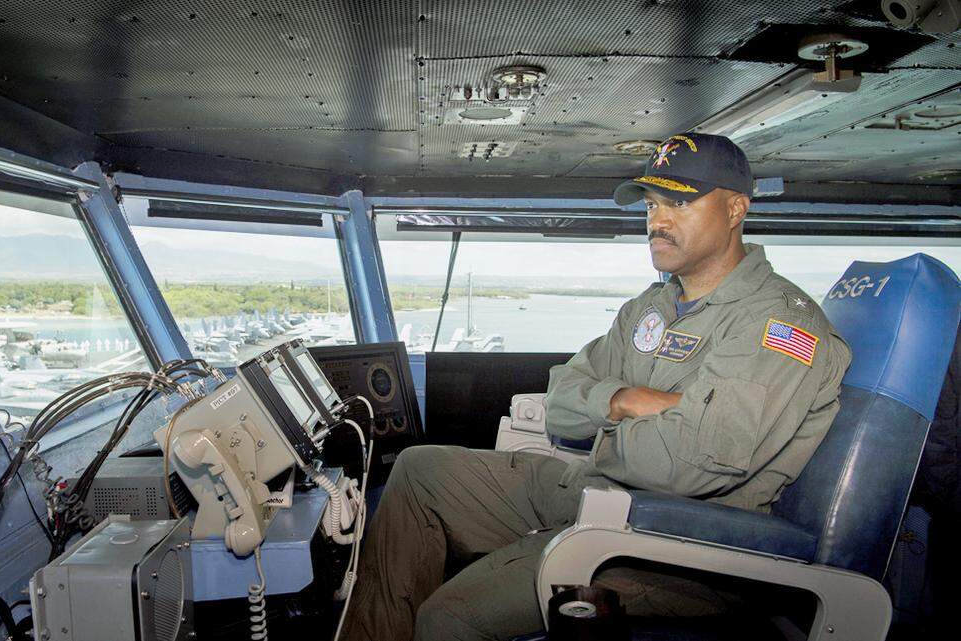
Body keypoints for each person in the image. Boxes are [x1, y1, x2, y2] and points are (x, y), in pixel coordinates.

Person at [338, 133, 851, 641]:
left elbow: (688, 464)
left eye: (679, 202)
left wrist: (606, 432)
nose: (657, 220)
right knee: (420, 470)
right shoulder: (649, 309)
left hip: (682, 546)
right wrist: (622, 401)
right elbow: (561, 394)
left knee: (448, 618)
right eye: (652, 204)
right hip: (606, 494)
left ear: (736, 209)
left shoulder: (780, 325)